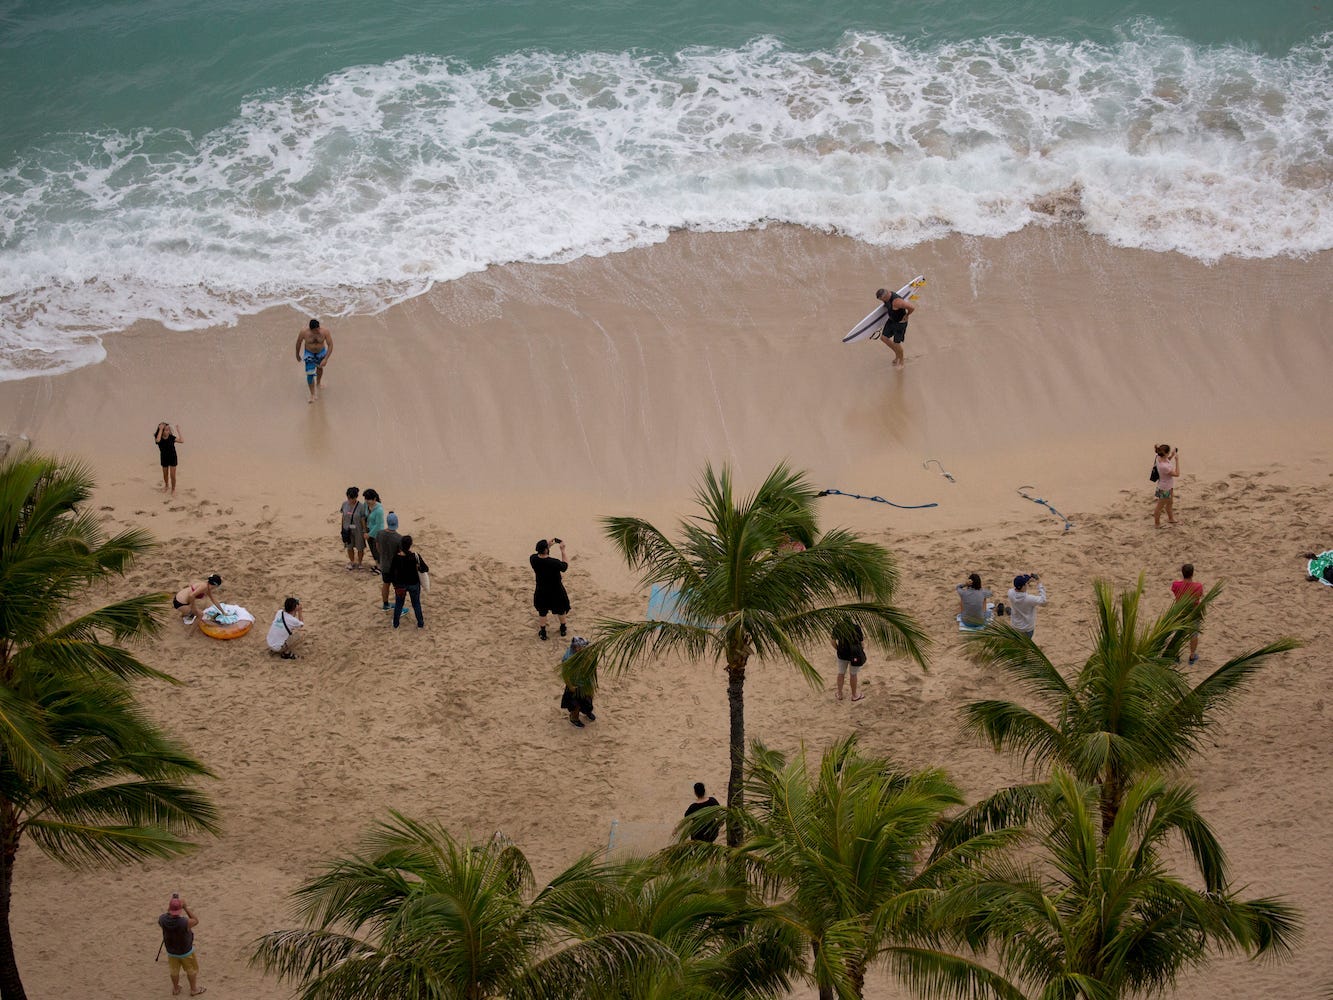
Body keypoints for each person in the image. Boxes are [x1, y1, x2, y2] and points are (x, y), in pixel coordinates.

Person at [158, 894, 204, 996]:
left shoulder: (162, 919)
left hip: (171, 952)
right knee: (191, 970)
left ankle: (175, 988)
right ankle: (193, 989)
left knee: (174, 971)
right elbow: (196, 920)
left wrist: (172, 906)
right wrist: (185, 907)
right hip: (186, 952)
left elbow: (164, 917)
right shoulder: (184, 922)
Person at [531, 538, 571, 641]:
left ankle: (543, 632)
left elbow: (538, 554)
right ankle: (563, 629)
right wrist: (562, 550)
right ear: (546, 550)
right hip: (556, 591)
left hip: (541, 590)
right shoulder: (554, 562)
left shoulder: (533, 559)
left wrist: (547, 546)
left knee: (542, 611)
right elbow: (565, 566)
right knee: (561, 610)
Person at [390, 535, 428, 629]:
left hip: (400, 584)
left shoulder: (396, 557)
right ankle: (420, 624)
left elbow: (391, 572)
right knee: (416, 604)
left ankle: (396, 624)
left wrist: (395, 584)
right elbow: (425, 568)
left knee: (399, 604)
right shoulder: (415, 556)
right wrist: (418, 567)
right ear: (410, 545)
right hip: (413, 583)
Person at [1169, 564, 1205, 664]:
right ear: (1192, 574)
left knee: (1178, 633)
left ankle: (1176, 656)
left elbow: (1175, 592)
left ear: (1182, 573)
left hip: (1180, 612)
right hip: (1193, 612)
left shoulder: (1175, 584)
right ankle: (1192, 656)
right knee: (1194, 634)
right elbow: (1200, 595)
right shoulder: (1198, 586)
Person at [875, 284, 916, 368]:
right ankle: (897, 354)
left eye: (881, 299)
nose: (881, 301)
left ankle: (901, 361)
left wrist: (907, 315)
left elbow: (912, 307)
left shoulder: (897, 302)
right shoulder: (886, 297)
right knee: (883, 338)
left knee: (896, 343)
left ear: (885, 296)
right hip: (891, 320)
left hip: (900, 323)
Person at [559, 636, 596, 727]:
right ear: (575, 647)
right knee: (576, 704)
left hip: (586, 681)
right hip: (575, 684)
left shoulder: (587, 653)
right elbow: (565, 674)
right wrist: (570, 686)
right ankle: (574, 719)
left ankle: (587, 711)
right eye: (580, 647)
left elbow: (591, 666)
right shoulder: (569, 658)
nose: (583, 649)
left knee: (589, 699)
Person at [295, 318, 333, 402]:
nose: (318, 331)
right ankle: (312, 394)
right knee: (310, 374)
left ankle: (318, 383)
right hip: (309, 353)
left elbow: (330, 345)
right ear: (311, 329)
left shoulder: (325, 331)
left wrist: (326, 359)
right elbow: (298, 343)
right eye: (316, 330)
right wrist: (297, 354)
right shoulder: (304, 332)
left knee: (319, 368)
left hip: (321, 353)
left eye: (318, 328)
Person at [832, 622, 866, 702]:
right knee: (853, 674)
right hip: (854, 655)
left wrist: (838, 649)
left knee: (841, 673)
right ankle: (854, 695)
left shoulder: (838, 626)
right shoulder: (856, 627)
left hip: (842, 654)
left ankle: (840, 694)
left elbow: (832, 641)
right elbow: (862, 644)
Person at [376, 512, 403, 611]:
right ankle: (399, 608)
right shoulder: (399, 538)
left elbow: (378, 548)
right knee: (398, 587)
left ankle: (385, 604)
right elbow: (401, 553)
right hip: (395, 567)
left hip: (384, 565)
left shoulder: (380, 533)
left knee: (386, 584)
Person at [1007, 574, 1047, 638]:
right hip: (1027, 629)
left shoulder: (1010, 593)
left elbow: (1017, 588)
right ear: (1023, 586)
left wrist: (1026, 582)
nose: (1027, 585)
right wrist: (1039, 584)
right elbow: (1043, 600)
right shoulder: (1029, 599)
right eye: (1026, 584)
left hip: (1015, 626)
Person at [339, 487, 366, 571]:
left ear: (356, 497)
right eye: (348, 498)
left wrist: (364, 530)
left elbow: (363, 519)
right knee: (349, 547)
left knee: (360, 547)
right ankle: (352, 561)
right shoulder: (344, 504)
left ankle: (360, 562)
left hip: (358, 530)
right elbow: (343, 517)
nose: (350, 500)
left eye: (352, 498)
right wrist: (342, 528)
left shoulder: (361, 506)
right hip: (347, 529)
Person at [1153, 444, 1179, 527]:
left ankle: (1170, 518)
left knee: (1170, 502)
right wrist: (1177, 460)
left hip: (1168, 486)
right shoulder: (1164, 467)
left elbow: (1166, 460)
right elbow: (1177, 474)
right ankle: (1157, 524)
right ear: (1166, 453)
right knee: (1159, 507)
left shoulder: (1159, 457)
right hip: (1164, 488)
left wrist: (1171, 455)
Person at [154, 422, 183, 494]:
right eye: (165, 430)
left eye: (168, 430)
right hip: (164, 458)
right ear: (162, 431)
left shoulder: (171, 437)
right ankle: (166, 485)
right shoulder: (158, 438)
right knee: (165, 474)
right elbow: (157, 440)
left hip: (173, 457)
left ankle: (173, 489)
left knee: (172, 475)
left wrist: (178, 430)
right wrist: (160, 429)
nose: (167, 431)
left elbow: (182, 441)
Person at [364, 489, 386, 565]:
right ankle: (377, 565)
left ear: (374, 499)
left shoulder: (379, 510)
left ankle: (380, 566)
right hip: (369, 530)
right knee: (372, 550)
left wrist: (369, 534)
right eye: (366, 499)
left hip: (377, 533)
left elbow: (378, 525)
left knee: (377, 550)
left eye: (369, 499)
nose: (367, 501)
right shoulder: (366, 505)